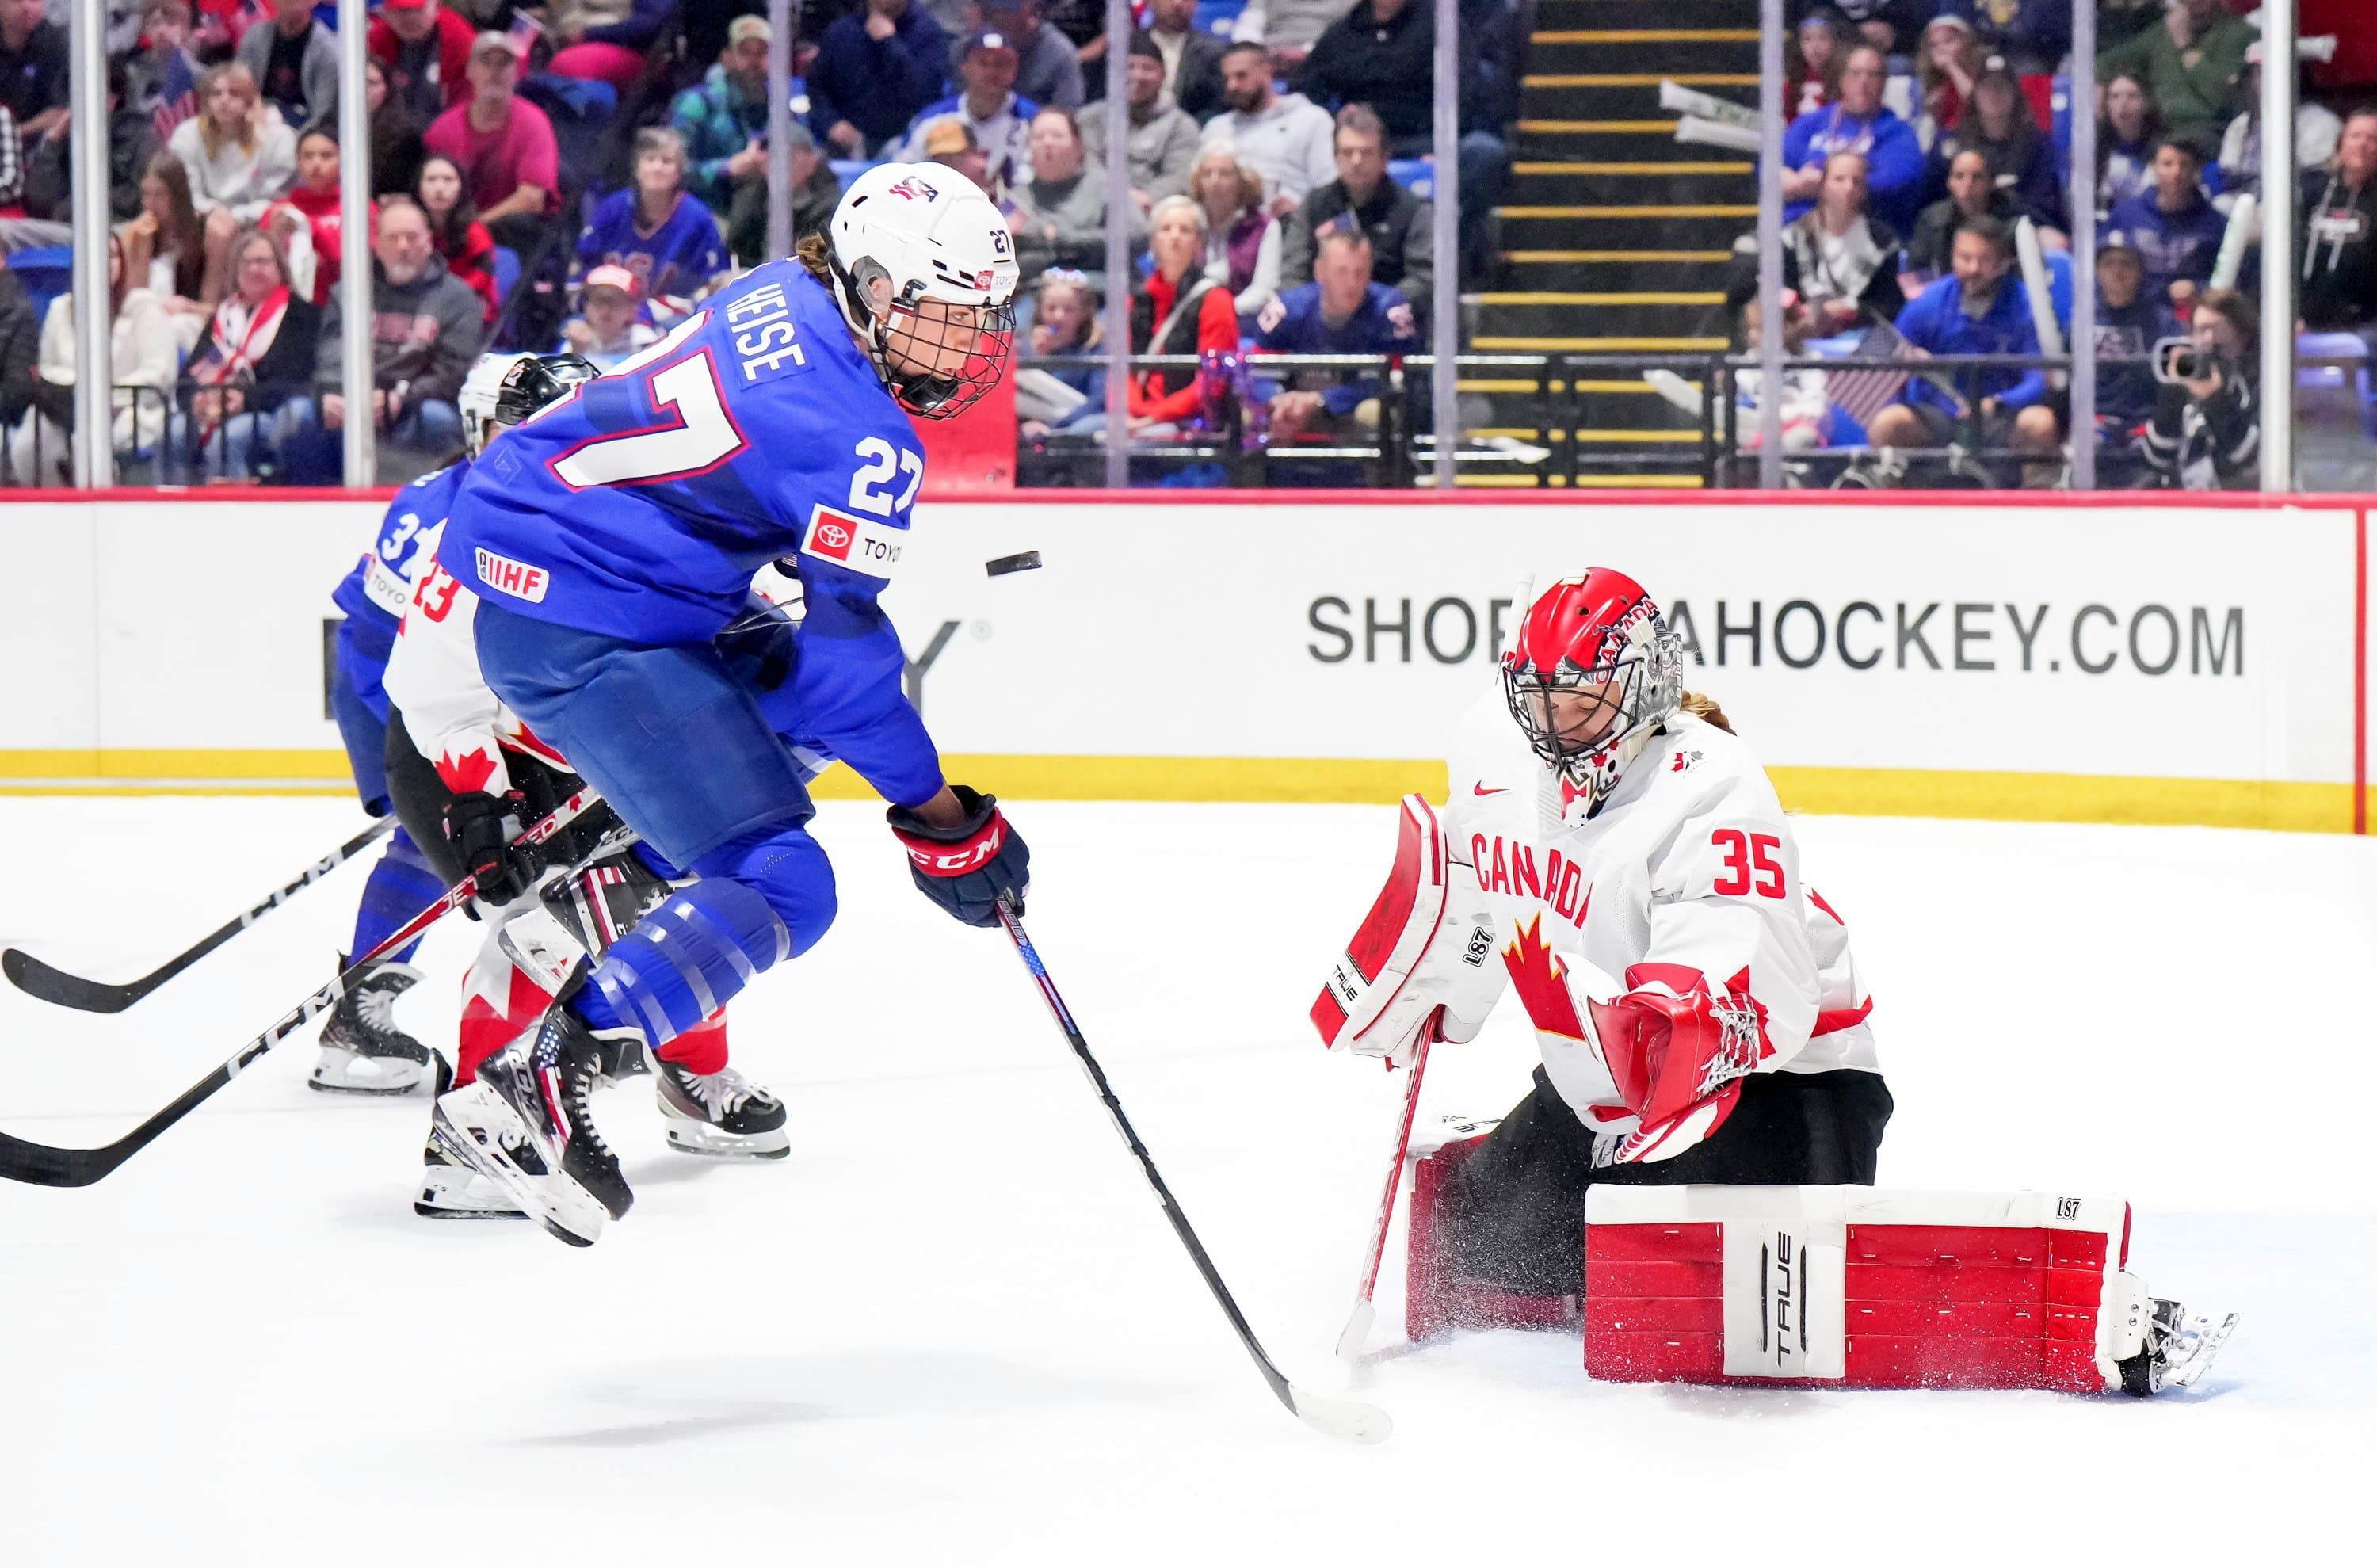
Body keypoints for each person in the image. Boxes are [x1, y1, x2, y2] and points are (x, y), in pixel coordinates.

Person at [425, 164, 1028, 1245]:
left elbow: (808, 645)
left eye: (982, 312)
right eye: (949, 312)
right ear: (879, 289)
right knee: (789, 881)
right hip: (591, 618)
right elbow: (849, 673)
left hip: (565, 563)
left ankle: (636, 872)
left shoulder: (783, 289)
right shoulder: (867, 438)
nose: (970, 341)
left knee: (781, 724)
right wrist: (942, 819)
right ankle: (533, 1076)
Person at [1318, 570, 1889, 1303]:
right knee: (1492, 1249)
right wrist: (1423, 973)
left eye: (1583, 702)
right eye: (1542, 700)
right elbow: (1469, 874)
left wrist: (1663, 1043)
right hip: (1607, 1077)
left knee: (1682, 1290)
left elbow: (1751, 986)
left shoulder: (1712, 786)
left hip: (1780, 1086)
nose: (1556, 724)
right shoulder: (1499, 748)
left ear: (1646, 686)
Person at [381, 355, 802, 1208]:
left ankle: (694, 1075)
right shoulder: (492, 526)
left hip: (581, 748)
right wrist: (480, 804)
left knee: (693, 880)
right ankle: (471, 1134)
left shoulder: (644, 507)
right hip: (456, 760)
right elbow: (429, 686)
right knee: (547, 924)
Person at [277, 196, 486, 482]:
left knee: (437, 418)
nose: (402, 247)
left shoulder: (458, 298)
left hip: (413, 405)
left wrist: (401, 397)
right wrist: (332, 394)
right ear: (377, 242)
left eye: (411, 238)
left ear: (428, 241)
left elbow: (453, 372)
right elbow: (330, 353)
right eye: (393, 238)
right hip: (349, 399)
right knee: (297, 415)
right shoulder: (349, 291)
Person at [1863, 215, 2058, 473]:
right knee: (1888, 424)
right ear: (1953, 258)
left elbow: (2039, 381)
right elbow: (1884, 356)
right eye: (1965, 258)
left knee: (2041, 424)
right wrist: (1906, 359)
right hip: (1939, 415)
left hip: (2000, 418)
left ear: (2002, 262)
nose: (1973, 268)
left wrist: (1998, 403)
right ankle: (1890, 500)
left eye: (1984, 260)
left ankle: (2038, 500)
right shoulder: (1929, 303)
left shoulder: (2026, 305)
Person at [11, 233, 175, 486]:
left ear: (122, 262)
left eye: (112, 256)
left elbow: (159, 373)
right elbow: (48, 367)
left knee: (90, 443)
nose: (105, 263)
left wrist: (107, 397)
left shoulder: (144, 307)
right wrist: (78, 392)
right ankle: (52, 509)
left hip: (130, 408)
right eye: (96, 255)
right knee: (27, 445)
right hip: (66, 407)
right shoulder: (60, 308)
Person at [178, 223, 319, 480]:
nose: (254, 269)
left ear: (280, 266)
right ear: (235, 270)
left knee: (230, 437)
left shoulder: (302, 315)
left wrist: (244, 402)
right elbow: (188, 376)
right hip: (214, 411)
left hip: (268, 414)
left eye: (263, 261)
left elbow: (298, 380)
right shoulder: (223, 318)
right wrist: (198, 399)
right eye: (247, 262)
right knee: (175, 431)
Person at [1253, 225, 1414, 445]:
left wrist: (1322, 401)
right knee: (1248, 417)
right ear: (1320, 271)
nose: (1352, 283)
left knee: (1374, 414)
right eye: (1342, 271)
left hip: (1350, 414)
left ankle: (1382, 480)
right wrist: (1278, 400)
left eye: (1361, 272)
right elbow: (1258, 373)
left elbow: (1394, 381)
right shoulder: (1284, 311)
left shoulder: (1391, 311)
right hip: (1290, 413)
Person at [1280, 104, 1431, 327]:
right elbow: (1292, 275)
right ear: (1335, 156)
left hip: (1388, 327)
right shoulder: (1314, 204)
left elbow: (1424, 279)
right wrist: (1319, 307)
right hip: (1321, 326)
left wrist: (1377, 307)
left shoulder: (1412, 210)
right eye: (1347, 152)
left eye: (1366, 152)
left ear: (1385, 158)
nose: (1356, 161)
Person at [422, 32, 562, 258]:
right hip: (457, 230)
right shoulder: (443, 129)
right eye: (485, 62)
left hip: (511, 234)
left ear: (517, 73)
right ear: (470, 71)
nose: (494, 71)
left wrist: (476, 226)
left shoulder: (533, 122)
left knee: (517, 223)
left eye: (503, 63)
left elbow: (531, 199)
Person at [574, 126, 727, 321]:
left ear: (679, 172)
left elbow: (709, 285)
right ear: (637, 168)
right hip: (607, 317)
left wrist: (646, 314)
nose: (657, 168)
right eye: (650, 159)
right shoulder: (611, 209)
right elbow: (583, 270)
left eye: (667, 161)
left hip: (668, 322)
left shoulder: (697, 219)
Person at [1780, 43, 1924, 236]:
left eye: (1873, 75)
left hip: (1865, 232)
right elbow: (1769, 166)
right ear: (1842, 79)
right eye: (1855, 73)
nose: (1863, 81)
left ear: (1883, 83)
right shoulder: (1811, 123)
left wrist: (1821, 183)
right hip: (1797, 226)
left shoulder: (1897, 131)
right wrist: (1787, 181)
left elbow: (1896, 182)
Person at [1755, 151, 1903, 333]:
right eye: (1839, 179)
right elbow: (1781, 292)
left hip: (1862, 335)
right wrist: (1801, 313)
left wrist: (1854, 309)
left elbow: (1889, 303)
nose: (1848, 188)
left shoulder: (1883, 242)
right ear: (1823, 185)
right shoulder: (1793, 238)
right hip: (1802, 334)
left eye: (1856, 181)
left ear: (1864, 190)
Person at [1129, 193, 1238, 433]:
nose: (1175, 237)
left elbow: (1211, 382)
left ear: (1199, 242)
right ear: (1153, 240)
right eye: (1166, 229)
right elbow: (1121, 372)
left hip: (1187, 421)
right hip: (1136, 416)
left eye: (1185, 230)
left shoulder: (1215, 299)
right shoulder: (1137, 299)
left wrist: (1153, 417)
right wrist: (1133, 413)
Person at [168, 62, 298, 260]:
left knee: (230, 229)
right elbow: (187, 192)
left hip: (258, 220)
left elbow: (276, 197)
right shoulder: (187, 134)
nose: (224, 101)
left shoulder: (277, 137)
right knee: (217, 230)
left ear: (250, 99)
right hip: (203, 219)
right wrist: (213, 213)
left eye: (235, 94)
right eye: (216, 94)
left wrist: (235, 217)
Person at [1008, 107, 1140, 292]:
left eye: (1057, 136)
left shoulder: (1106, 188)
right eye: (1038, 137)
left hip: (1096, 292)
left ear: (1078, 145)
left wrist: (1064, 238)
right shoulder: (1017, 198)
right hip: (1031, 294)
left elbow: (1137, 236)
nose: (1047, 143)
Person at [2141, 287, 2258, 490]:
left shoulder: (2259, 385)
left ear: (2242, 336)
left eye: (2215, 330)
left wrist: (2215, 401)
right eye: (2200, 330)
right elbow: (2156, 459)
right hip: (2183, 503)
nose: (2207, 340)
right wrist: (2173, 394)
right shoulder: (2183, 382)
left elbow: (2245, 460)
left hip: (2241, 503)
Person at [1200, 40, 1334, 219]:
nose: (1232, 86)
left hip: (1292, 224)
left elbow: (1328, 186)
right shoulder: (1216, 129)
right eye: (1227, 79)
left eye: (1241, 76)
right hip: (1228, 226)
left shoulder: (1312, 120)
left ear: (1267, 71)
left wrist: (1300, 207)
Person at [21, 58, 155, 235]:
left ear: (112, 99)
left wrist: (73, 206)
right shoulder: (66, 135)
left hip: (115, 228)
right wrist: (54, 141)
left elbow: (134, 199)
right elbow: (39, 200)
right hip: (62, 227)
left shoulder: (140, 136)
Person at [899, 29, 1040, 193]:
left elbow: (1039, 183)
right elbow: (903, 173)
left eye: (1001, 63)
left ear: (1014, 69)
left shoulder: (1033, 120)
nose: (992, 71)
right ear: (965, 67)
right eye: (983, 62)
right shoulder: (932, 118)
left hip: (1011, 210)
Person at [1929, 61, 2062, 235]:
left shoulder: (2037, 144)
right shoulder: (1950, 142)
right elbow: (1932, 197)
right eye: (1987, 88)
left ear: (2015, 95)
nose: (1994, 94)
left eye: (2001, 87)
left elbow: (2045, 202)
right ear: (1975, 94)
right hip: (1959, 227)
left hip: (2017, 227)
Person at [2094, 0, 2253, 143]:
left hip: (2210, 131)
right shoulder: (2163, 32)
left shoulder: (2239, 34)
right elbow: (2112, 60)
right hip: (2162, 131)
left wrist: (2186, 48)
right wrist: (2100, 81)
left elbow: (2221, 97)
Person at [807, 0, 952, 158]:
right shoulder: (840, 31)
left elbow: (925, 92)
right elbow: (817, 89)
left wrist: (889, 43)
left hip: (906, 143)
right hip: (844, 143)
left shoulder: (928, 33)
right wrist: (831, 123)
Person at [1081, 32, 1202, 212]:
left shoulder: (1182, 126)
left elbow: (1178, 177)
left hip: (1154, 215)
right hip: (1096, 209)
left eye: (1147, 68)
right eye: (1129, 66)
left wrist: (1142, 200)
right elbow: (1086, 166)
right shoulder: (1090, 118)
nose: (1137, 75)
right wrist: (1113, 196)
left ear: (1163, 75)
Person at [2106, 134, 2225, 313]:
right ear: (2154, 168)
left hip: (2192, 313)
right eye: (2167, 164)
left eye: (2184, 165)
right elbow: (2102, 265)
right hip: (2134, 312)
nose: (2176, 173)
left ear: (2196, 170)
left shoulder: (2215, 224)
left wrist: (2198, 289)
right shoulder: (2125, 215)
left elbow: (2228, 277)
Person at [2082, 227, 2173, 460]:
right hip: (2095, 419)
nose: (2117, 271)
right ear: (2097, 271)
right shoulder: (2081, 320)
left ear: (2140, 271)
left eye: (2126, 264)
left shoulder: (2162, 320)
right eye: (2109, 263)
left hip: (2145, 421)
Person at [2218, 44, 2343, 211]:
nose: (2267, 81)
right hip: (2243, 209)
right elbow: (2229, 176)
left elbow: (2317, 185)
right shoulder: (2240, 125)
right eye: (2260, 74)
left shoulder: (2322, 122)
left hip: (2291, 213)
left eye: (2276, 72)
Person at [672, 11, 773, 216]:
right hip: (709, 209)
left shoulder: (782, 108)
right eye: (745, 52)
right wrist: (727, 168)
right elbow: (674, 171)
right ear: (727, 57)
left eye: (761, 52)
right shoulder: (697, 103)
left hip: (766, 212)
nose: (754, 61)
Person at [261, 125, 366, 308]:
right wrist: (276, 238)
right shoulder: (277, 212)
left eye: (326, 156)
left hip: (342, 306)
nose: (316, 164)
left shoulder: (359, 209)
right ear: (298, 162)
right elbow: (260, 265)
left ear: (343, 160)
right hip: (285, 308)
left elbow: (355, 265)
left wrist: (309, 226)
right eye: (308, 156)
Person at [2297, 109, 2377, 341]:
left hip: (2363, 324)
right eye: (2355, 136)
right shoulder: (2312, 188)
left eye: (2373, 139)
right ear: (2340, 143)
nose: (2362, 144)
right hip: (2303, 318)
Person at [118, 151, 212, 338]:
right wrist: (141, 248)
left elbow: (215, 309)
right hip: (148, 322)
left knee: (176, 327)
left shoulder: (207, 232)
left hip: (188, 323)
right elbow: (134, 301)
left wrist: (188, 306)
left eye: (160, 194)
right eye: (146, 194)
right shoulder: (137, 234)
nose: (150, 204)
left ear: (178, 194)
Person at [728, 121, 841, 269]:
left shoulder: (830, 205)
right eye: (772, 155)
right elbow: (736, 245)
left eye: (788, 156)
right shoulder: (756, 192)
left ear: (811, 161)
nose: (778, 165)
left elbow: (817, 263)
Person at [1191, 142, 1280, 322]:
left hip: (1244, 322)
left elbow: (1263, 291)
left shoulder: (1264, 226)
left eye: (1224, 174)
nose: (1215, 181)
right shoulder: (1189, 224)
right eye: (1207, 174)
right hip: (1192, 323)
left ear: (1242, 180)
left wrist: (1220, 312)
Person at [1906, 146, 2019, 280]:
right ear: (1949, 182)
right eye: (1959, 176)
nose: (1968, 184)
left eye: (1977, 177)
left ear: (1991, 182)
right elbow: (1916, 272)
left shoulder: (2014, 220)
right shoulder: (1932, 220)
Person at [1016, 267, 1105, 433]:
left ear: (1084, 313)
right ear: (1040, 311)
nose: (1059, 316)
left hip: (1073, 429)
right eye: (1051, 308)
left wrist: (1054, 427)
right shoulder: (1024, 350)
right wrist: (1038, 359)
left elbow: (1099, 401)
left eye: (1069, 309)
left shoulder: (1097, 350)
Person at [418, 153, 501, 324]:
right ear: (418, 187)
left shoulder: (476, 231)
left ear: (460, 187)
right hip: (422, 307)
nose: (439, 188)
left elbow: (483, 274)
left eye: (448, 180)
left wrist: (449, 298)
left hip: (471, 308)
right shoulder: (412, 229)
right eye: (431, 180)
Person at [235, 0, 338, 132]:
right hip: (256, 121)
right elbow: (238, 86)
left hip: (303, 128)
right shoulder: (255, 36)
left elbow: (323, 114)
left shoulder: (328, 50)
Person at [369, 0, 477, 123]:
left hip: (443, 133)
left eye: (418, 9)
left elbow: (468, 106)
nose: (410, 19)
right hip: (391, 133)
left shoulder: (460, 42)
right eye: (402, 11)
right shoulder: (376, 43)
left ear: (436, 5)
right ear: (386, 13)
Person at [540, 0, 681, 94]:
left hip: (626, 46)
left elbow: (649, 25)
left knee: (567, 64)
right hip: (560, 33)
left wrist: (588, 34)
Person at [981, 0, 1085, 113]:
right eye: (995, 10)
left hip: (1037, 126)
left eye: (1009, 10)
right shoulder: (976, 47)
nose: (1001, 16)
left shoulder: (1059, 53)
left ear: (1030, 6)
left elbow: (1068, 115)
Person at [561, 261, 662, 366]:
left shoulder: (644, 341)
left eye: (616, 301)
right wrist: (576, 351)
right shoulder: (576, 336)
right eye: (599, 300)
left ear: (632, 310)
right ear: (587, 307)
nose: (606, 309)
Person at [1931, 0, 2067, 76]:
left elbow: (2050, 36)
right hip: (1973, 56)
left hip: (2029, 58)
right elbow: (1948, 25)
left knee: (2030, 70)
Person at [1143, 0, 1226, 124]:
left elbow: (1217, 106)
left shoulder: (1214, 52)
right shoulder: (1129, 47)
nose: (1177, 3)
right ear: (1149, 2)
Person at [0, 0, 67, 146]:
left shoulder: (57, 43)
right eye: (16, 1)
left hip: (48, 150)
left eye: (34, 0)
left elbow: (58, 116)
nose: (27, 7)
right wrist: (28, 128)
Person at [2097, 71, 2163, 216]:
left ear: (2146, 103)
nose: (2123, 104)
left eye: (2132, 96)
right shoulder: (2096, 146)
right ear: (2106, 104)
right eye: (2115, 97)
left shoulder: (2164, 145)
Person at [1230, 0, 1359, 72]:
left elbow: (1351, 33)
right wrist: (1256, 53)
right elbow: (1251, 22)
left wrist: (1307, 51)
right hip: (1270, 58)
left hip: (1323, 58)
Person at [364, 57, 427, 199]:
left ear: (387, 88)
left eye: (371, 83)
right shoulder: (332, 128)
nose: (363, 90)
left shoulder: (405, 136)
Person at [1789, 7, 1848, 119]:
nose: (1815, 46)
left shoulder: (1846, 81)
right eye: (1807, 39)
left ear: (1835, 42)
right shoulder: (1792, 83)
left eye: (1823, 38)